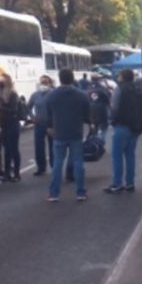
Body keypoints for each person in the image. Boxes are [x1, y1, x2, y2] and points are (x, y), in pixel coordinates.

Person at [47, 68, 91, 201]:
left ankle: (54, 193)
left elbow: (48, 112)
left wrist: (50, 126)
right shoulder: (81, 94)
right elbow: (86, 113)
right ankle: (80, 192)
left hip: (59, 132)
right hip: (76, 131)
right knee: (78, 162)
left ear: (60, 79)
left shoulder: (52, 95)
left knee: (58, 163)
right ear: (72, 79)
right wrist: (89, 123)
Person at [105, 68, 142, 194]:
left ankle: (117, 184)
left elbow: (114, 107)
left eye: (119, 75)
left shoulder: (119, 89)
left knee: (117, 156)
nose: (118, 77)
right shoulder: (138, 89)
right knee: (130, 155)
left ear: (123, 77)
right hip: (135, 127)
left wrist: (112, 120)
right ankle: (130, 183)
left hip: (122, 125)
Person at [0, 75, 25, 182]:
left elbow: (13, 110)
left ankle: (17, 173)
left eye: (1, 81)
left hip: (13, 124)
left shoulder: (13, 94)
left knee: (13, 149)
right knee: (7, 150)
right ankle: (7, 173)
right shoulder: (1, 94)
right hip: (5, 124)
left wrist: (0, 107)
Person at [27, 75, 55, 176]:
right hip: (39, 124)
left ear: (50, 83)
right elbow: (28, 107)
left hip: (51, 124)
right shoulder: (35, 95)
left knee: (53, 147)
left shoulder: (53, 94)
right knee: (39, 147)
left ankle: (54, 167)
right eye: (42, 83)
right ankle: (41, 168)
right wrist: (32, 117)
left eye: (46, 83)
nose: (43, 85)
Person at [88, 74, 112, 142]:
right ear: (99, 80)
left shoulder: (88, 88)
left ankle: (94, 142)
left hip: (91, 110)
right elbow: (107, 98)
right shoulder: (103, 88)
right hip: (102, 109)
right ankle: (101, 141)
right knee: (104, 126)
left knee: (94, 127)